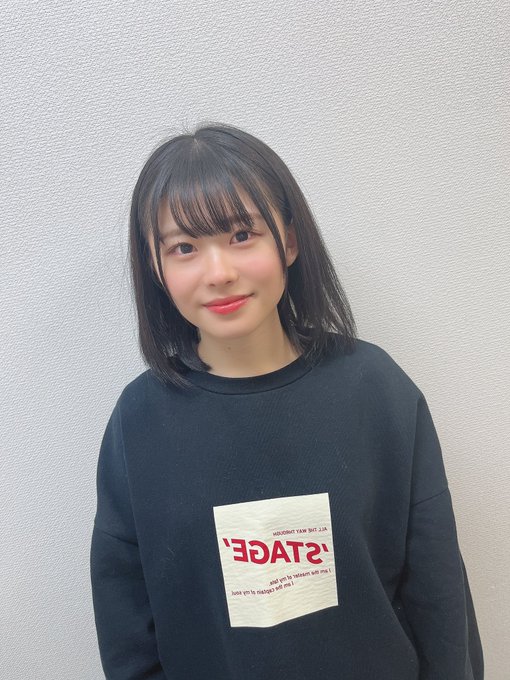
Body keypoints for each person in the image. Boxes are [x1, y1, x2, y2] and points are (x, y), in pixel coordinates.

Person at [90, 122, 484, 679]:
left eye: (241, 235)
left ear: (289, 241)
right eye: (184, 247)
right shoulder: (139, 422)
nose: (219, 272)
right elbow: (127, 625)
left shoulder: (376, 390)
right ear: (157, 268)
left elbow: (439, 595)